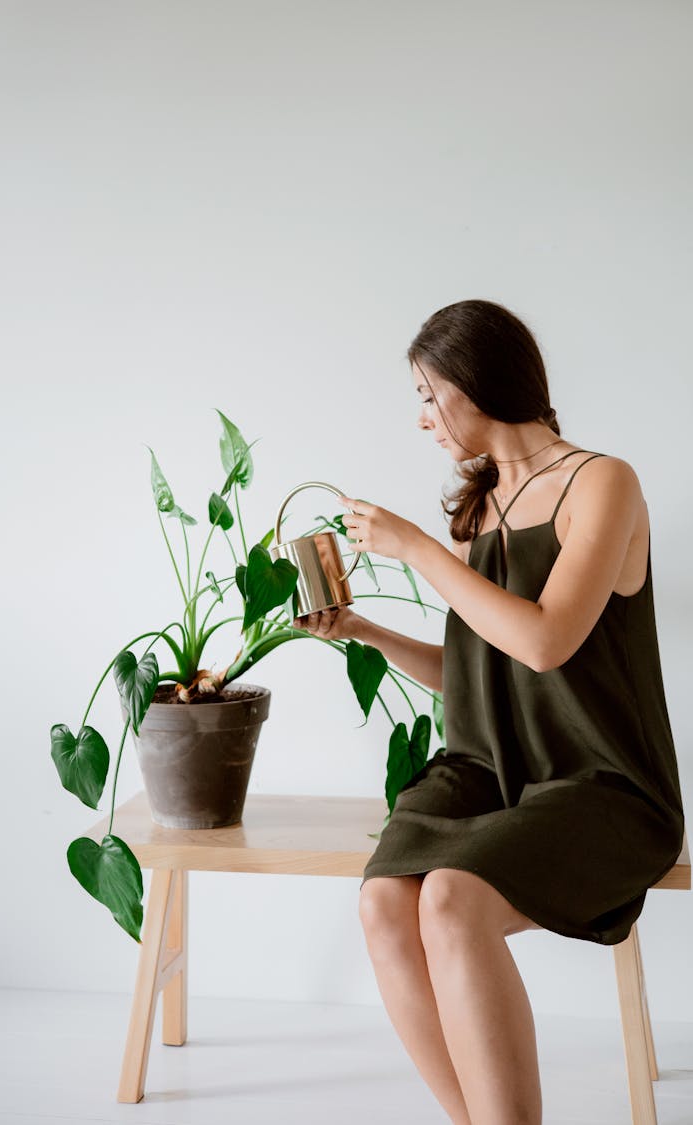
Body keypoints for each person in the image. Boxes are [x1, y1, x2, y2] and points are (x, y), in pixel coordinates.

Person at [292, 298, 685, 1125]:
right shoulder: (480, 507)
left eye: (431, 395)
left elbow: (544, 644)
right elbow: (478, 673)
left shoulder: (601, 482)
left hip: (602, 785)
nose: (424, 418)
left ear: (478, 384)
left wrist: (418, 549)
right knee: (383, 900)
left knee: (450, 897)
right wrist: (362, 627)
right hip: (494, 772)